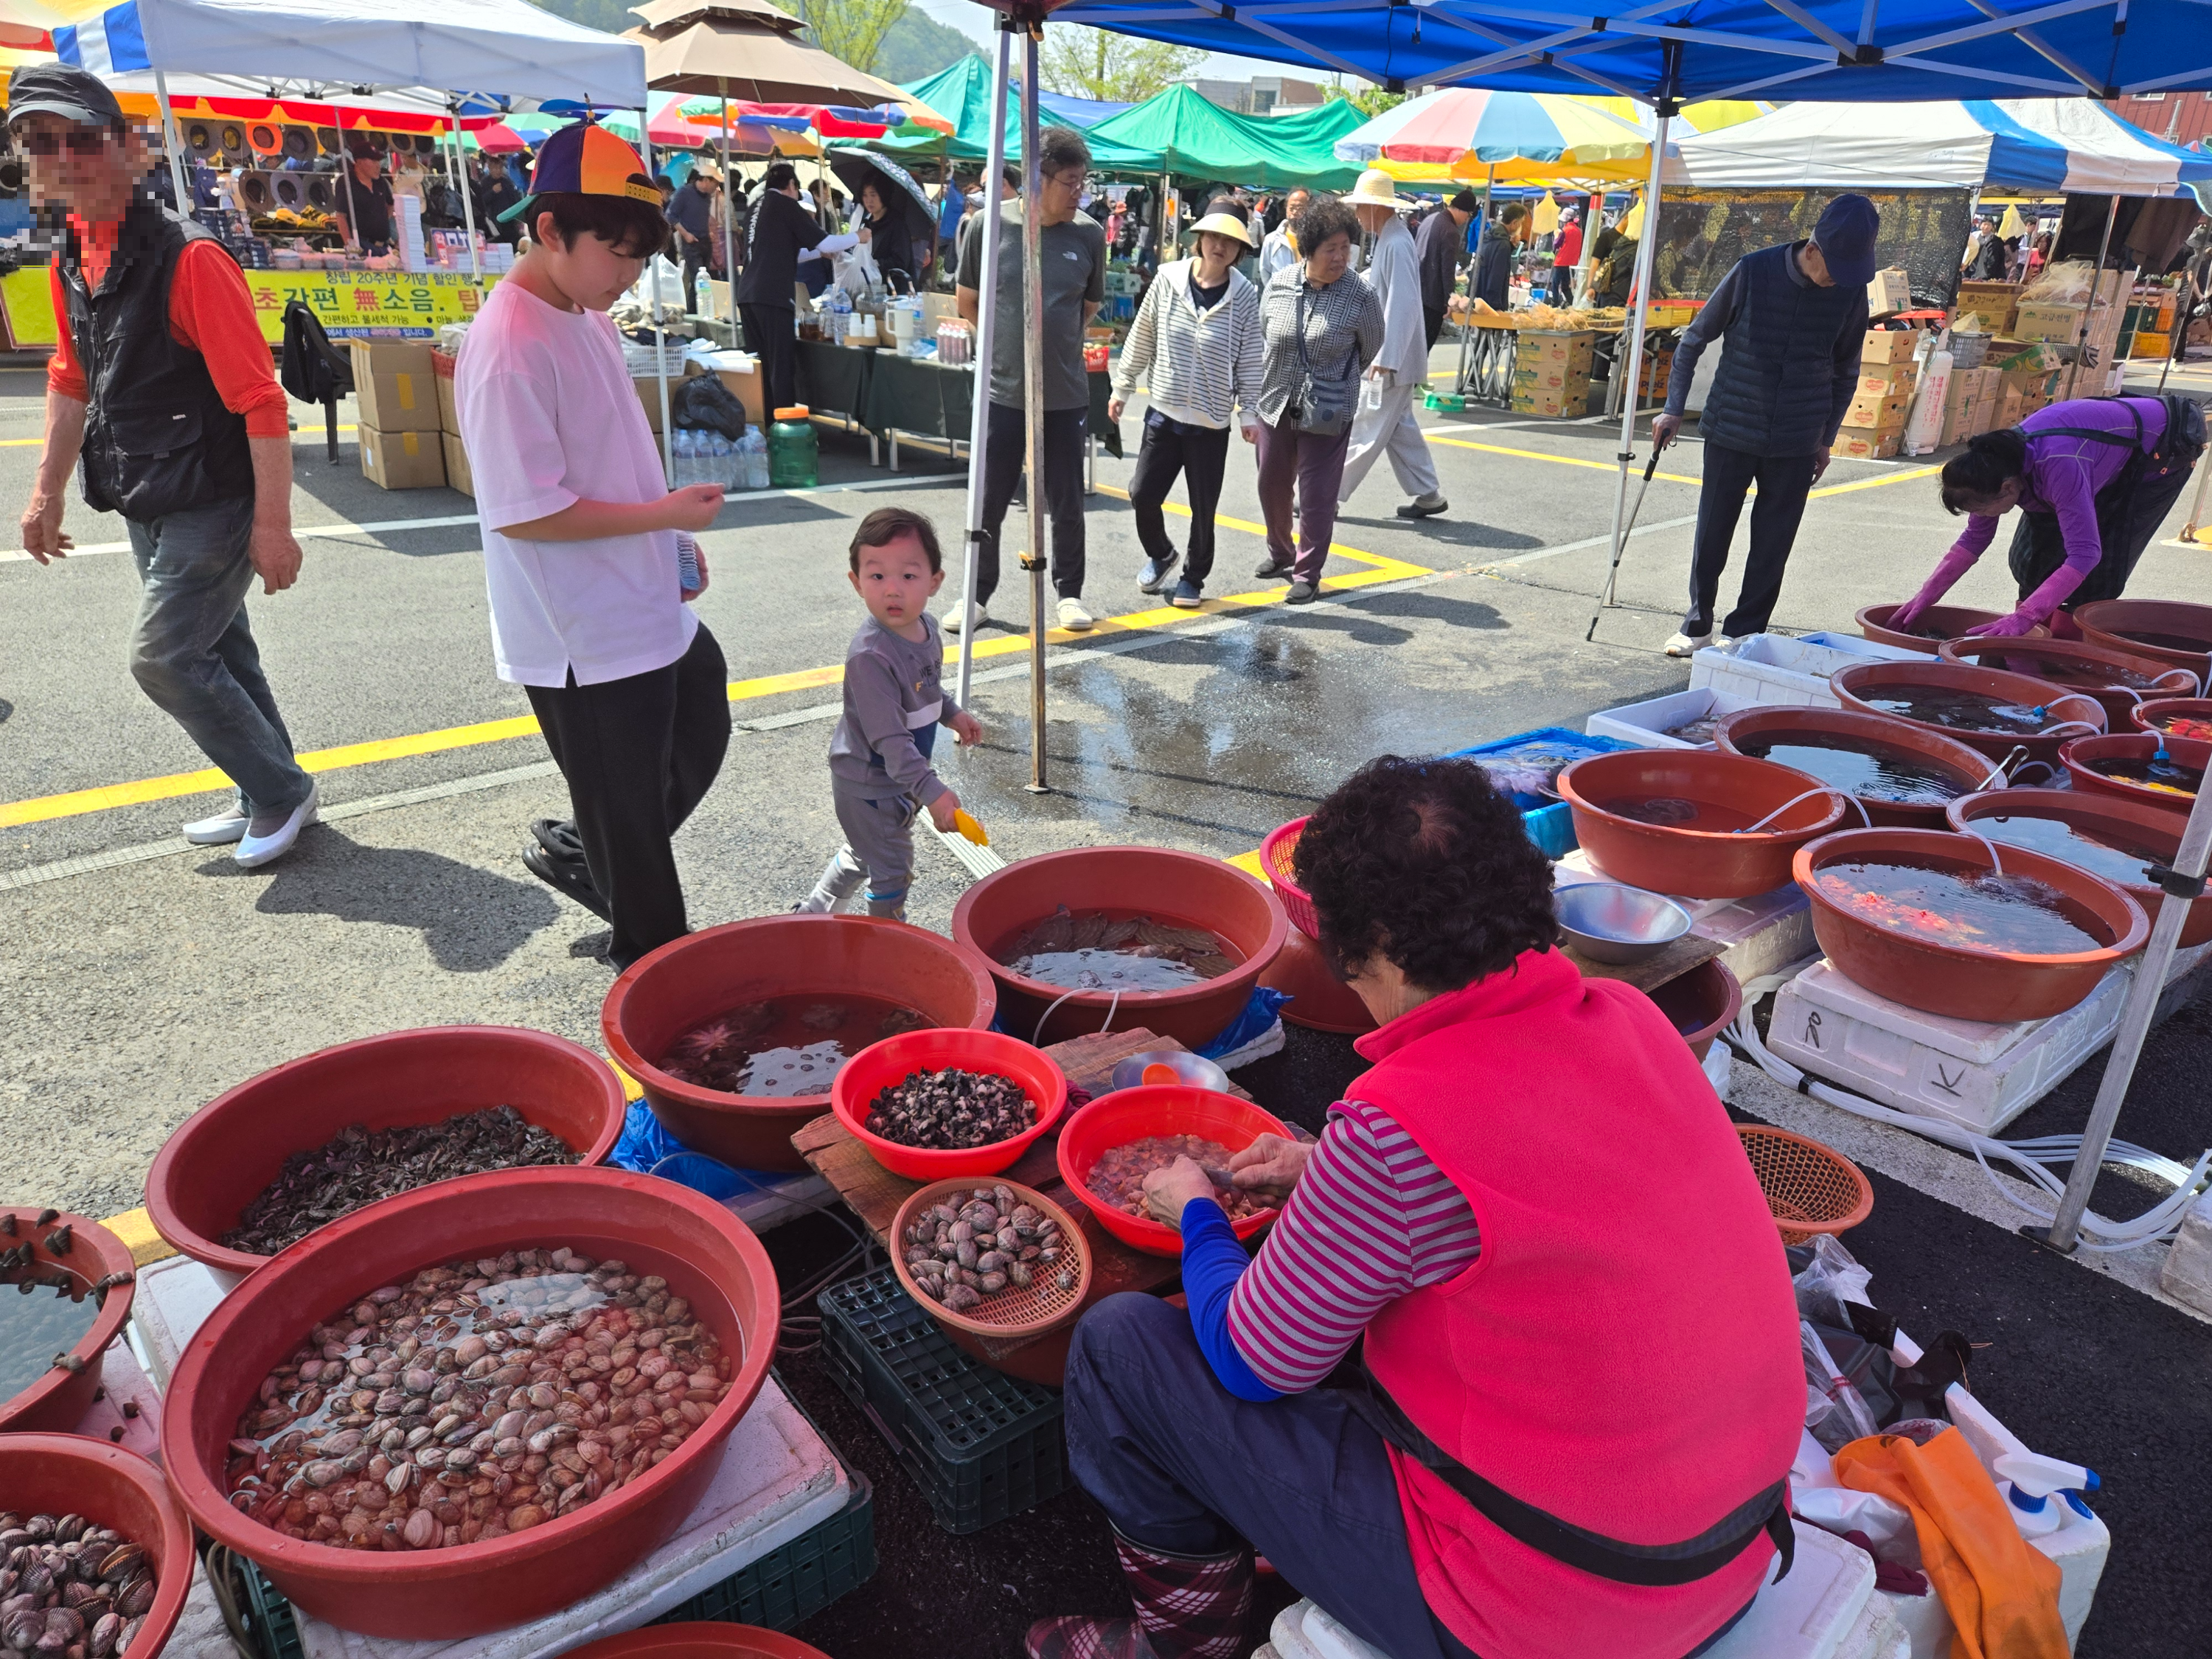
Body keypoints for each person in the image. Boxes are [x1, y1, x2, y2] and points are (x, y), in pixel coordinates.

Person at [1028, 754, 1804, 1659]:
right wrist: (1322, 1163)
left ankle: (1184, 1643)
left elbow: (1252, 1362)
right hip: (1728, 1553)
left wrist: (1197, 1207)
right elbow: (1540, 1178)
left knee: (1125, 1344)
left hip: (1546, 1613)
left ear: (1381, 946)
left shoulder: (1402, 1126)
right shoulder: (1632, 1019)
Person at [12, 64, 318, 868]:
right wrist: (45, 493)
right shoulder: (72, 253)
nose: (62, 157)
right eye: (42, 142)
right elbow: (71, 380)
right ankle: (273, 787)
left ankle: (279, 792)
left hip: (215, 493)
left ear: (125, 149)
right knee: (221, 648)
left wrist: (275, 528)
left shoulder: (191, 259)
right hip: (145, 488)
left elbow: (261, 401)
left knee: (166, 656)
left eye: (82, 138)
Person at [456, 120, 731, 969]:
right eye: (615, 254)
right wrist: (665, 520)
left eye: (639, 260)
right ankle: (656, 988)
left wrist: (667, 541)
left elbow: (615, 449)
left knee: (700, 718)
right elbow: (526, 512)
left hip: (636, 593)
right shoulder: (507, 346)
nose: (627, 276)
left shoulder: (586, 316)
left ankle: (594, 851)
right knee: (640, 845)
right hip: (579, 629)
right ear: (548, 231)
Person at [1652, 193, 1879, 655]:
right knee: (1712, 531)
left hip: (1799, 434)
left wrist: (1825, 439)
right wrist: (1673, 407)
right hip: (1732, 425)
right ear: (1813, 249)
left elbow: (1846, 370)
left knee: (1774, 543)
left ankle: (1744, 633)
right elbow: (1694, 339)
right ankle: (1698, 625)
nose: (1838, 281)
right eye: (1834, 269)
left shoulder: (1850, 291)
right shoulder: (1752, 270)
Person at [951, 125, 1106, 635]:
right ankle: (975, 597)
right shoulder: (988, 227)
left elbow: (1087, 307)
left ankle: (1070, 593)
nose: (1079, 191)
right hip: (1002, 389)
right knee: (989, 496)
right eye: (1070, 181)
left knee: (1065, 497)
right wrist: (1010, 349)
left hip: (1063, 392)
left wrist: (1050, 346)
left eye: (1083, 181)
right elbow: (968, 302)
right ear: (1038, 179)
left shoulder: (1088, 235)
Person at [794, 507, 984, 920]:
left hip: (896, 779)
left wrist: (951, 713)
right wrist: (932, 792)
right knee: (892, 870)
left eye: (908, 576)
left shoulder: (928, 629)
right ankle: (886, 943)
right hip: (869, 783)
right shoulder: (871, 656)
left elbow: (924, 688)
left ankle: (817, 910)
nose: (892, 590)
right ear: (856, 583)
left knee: (867, 852)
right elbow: (890, 740)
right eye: (877, 576)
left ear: (935, 582)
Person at [1892, 394, 2207, 640]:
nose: (1979, 518)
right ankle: (2033, 633)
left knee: (2099, 567)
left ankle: (2064, 648)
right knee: (2032, 559)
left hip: (2163, 449)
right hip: (2086, 454)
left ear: (2008, 487)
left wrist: (2024, 617)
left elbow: (2085, 554)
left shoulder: (2060, 467)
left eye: (1982, 510)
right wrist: (1925, 597)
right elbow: (1975, 538)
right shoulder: (1997, 465)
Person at [1108, 205, 1265, 609]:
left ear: (1239, 250)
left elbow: (1250, 359)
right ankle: (1161, 553)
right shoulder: (1167, 279)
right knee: (1142, 493)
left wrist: (1249, 414)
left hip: (1210, 422)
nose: (1220, 246)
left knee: (1203, 507)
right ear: (1200, 238)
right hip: (1164, 411)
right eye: (1214, 236)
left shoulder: (1245, 295)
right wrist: (1122, 387)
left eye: (1231, 241)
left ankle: (1193, 577)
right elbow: (1142, 334)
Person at [1252, 195, 1383, 605]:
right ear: (1308, 250)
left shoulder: (1360, 295)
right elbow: (1265, 331)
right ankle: (1281, 553)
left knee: (1317, 494)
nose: (1341, 257)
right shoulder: (1281, 284)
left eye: (1346, 248)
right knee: (1271, 484)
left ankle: (1307, 573)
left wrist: (1334, 378)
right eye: (1331, 249)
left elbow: (1370, 345)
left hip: (1328, 408)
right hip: (1276, 400)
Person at [1338, 170, 1447, 522]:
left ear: (1373, 206)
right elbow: (1391, 293)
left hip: (1389, 355)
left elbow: (1401, 303)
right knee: (1398, 428)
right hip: (1393, 353)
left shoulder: (1396, 242)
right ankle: (1428, 494)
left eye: (1359, 207)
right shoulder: (1393, 238)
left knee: (1367, 424)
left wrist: (1386, 357)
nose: (1356, 215)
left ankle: (1329, 493)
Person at [737, 161, 856, 415]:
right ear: (791, 186)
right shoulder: (785, 205)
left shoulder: (754, 208)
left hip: (747, 295)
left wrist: (816, 255)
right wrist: (859, 236)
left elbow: (785, 253)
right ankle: (786, 428)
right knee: (780, 367)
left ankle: (766, 426)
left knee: (761, 365)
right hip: (773, 295)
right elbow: (827, 242)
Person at [1418, 188, 1476, 347]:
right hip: (1432, 299)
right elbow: (1447, 269)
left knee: (1413, 347)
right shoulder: (1451, 231)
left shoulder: (1430, 219)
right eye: (1469, 214)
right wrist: (1450, 300)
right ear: (1460, 209)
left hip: (1417, 292)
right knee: (1423, 348)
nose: (1467, 219)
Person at [667, 163, 717, 313]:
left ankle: (695, 311)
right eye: (715, 183)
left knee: (702, 279)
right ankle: (697, 313)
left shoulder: (707, 196)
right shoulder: (684, 192)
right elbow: (670, 216)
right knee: (698, 277)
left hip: (705, 241)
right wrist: (686, 234)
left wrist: (709, 231)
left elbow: (704, 216)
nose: (717, 187)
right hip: (691, 242)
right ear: (706, 181)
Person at [855, 177, 922, 290]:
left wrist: (874, 263)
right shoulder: (865, 223)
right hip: (872, 289)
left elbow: (900, 262)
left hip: (896, 293)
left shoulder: (897, 225)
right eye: (865, 195)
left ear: (884, 195)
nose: (868, 200)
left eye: (873, 195)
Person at [334, 139, 395, 254]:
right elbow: (341, 216)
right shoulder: (346, 182)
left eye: (379, 161)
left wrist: (380, 222)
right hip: (362, 245)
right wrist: (351, 247)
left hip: (384, 246)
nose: (378, 165)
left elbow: (391, 204)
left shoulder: (380, 182)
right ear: (359, 162)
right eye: (373, 161)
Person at [1470, 201, 1523, 316]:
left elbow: (1490, 261)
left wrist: (1511, 246)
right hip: (1489, 305)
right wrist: (1496, 306)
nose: (1521, 226)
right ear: (1514, 223)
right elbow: (1496, 276)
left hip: (1479, 294)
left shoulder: (1491, 235)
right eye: (1521, 222)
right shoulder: (1502, 244)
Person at [1257, 187, 1307, 287]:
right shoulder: (1272, 240)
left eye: (1300, 208)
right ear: (1286, 208)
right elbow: (1265, 271)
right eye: (1292, 208)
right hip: (1280, 296)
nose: (1295, 212)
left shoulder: (1317, 239)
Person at [1551, 204, 1583, 304]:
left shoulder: (1565, 231)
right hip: (1572, 263)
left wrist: (1556, 236)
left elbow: (1556, 245)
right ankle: (1573, 303)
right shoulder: (1579, 231)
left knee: (1555, 285)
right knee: (1566, 286)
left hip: (1561, 262)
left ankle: (1555, 304)